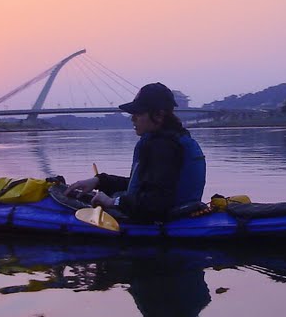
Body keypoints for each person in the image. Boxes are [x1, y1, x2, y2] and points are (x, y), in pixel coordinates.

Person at [67, 83, 206, 222]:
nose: (133, 118)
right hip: (180, 214)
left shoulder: (163, 147)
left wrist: (113, 202)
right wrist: (99, 181)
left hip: (165, 221)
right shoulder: (172, 139)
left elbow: (155, 204)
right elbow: (145, 186)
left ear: (159, 115)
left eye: (138, 113)